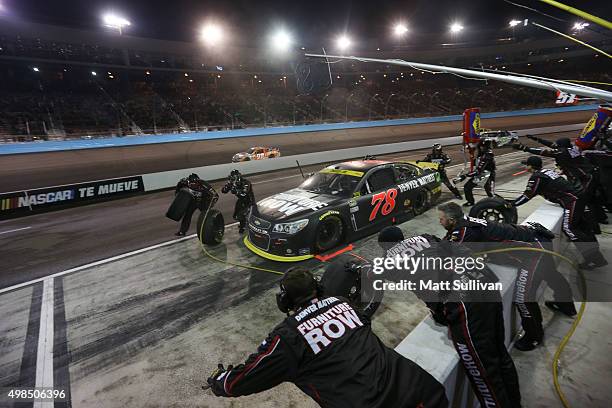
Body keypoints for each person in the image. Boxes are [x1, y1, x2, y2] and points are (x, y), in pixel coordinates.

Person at [206, 267, 449, 408]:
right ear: (319, 289)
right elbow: (363, 321)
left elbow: (242, 381)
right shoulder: (342, 303)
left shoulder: (287, 337)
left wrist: (220, 381)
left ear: (284, 301)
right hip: (422, 389)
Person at [377, 226, 522, 408]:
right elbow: (456, 249)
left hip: (463, 299)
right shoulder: (425, 237)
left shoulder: (387, 261)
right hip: (484, 278)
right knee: (500, 354)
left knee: (484, 372)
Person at [437, 202, 576, 351]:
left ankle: (534, 337)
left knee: (522, 298)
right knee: (551, 274)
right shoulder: (465, 222)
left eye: (441, 219)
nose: (439, 222)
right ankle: (566, 305)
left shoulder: (464, 231)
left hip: (535, 251)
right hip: (538, 239)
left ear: (452, 220)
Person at [510, 156, 607, 270]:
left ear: (531, 166)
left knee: (569, 229)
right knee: (582, 227)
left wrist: (511, 204)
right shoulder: (547, 171)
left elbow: (527, 195)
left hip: (572, 200)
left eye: (527, 165)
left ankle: (592, 257)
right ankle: (597, 258)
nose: (526, 167)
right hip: (578, 197)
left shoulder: (537, 176)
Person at [514, 137, 607, 225]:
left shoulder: (563, 152)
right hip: (591, 174)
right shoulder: (574, 148)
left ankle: (592, 222)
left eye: (558, 145)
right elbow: (552, 145)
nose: (556, 146)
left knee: (584, 198)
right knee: (591, 197)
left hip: (585, 178)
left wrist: (525, 148)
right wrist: (537, 139)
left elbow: (544, 152)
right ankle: (601, 218)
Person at [459, 140, 496, 207]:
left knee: (490, 192)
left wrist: (466, 175)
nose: (479, 148)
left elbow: (479, 170)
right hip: (482, 174)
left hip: (488, 175)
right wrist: (471, 155)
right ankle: (470, 201)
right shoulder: (482, 153)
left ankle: (499, 204)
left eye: (481, 146)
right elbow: (476, 163)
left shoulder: (487, 155)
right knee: (467, 187)